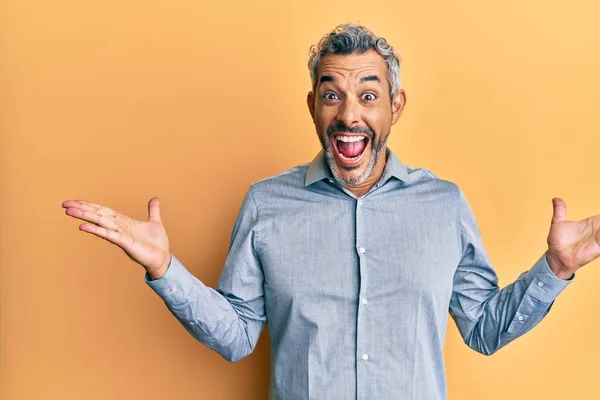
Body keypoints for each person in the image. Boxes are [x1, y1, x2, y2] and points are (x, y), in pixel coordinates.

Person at [62, 23, 599, 400]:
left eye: (368, 96)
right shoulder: (267, 203)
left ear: (396, 106)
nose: (348, 114)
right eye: (331, 94)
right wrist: (165, 269)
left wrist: (554, 269)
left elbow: (483, 328)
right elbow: (237, 335)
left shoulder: (443, 205)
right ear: (313, 106)